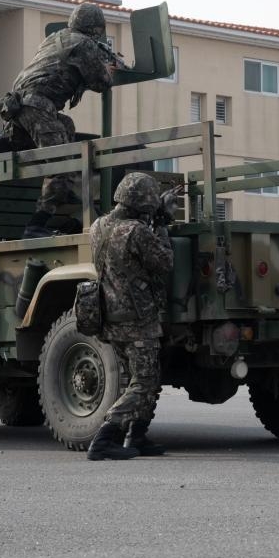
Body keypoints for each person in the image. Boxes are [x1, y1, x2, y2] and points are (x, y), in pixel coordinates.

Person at [0, 2, 119, 238]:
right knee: (61, 165)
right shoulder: (84, 44)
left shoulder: (55, 38)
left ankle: (66, 192)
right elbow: (101, 82)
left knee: (66, 127)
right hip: (36, 107)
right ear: (96, 28)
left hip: (17, 108)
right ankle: (35, 225)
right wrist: (108, 70)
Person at [86, 172, 174, 461]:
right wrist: (161, 226)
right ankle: (105, 437)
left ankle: (137, 435)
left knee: (139, 378)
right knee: (145, 381)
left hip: (110, 316)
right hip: (138, 318)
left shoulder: (98, 226)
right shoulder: (136, 231)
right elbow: (165, 262)